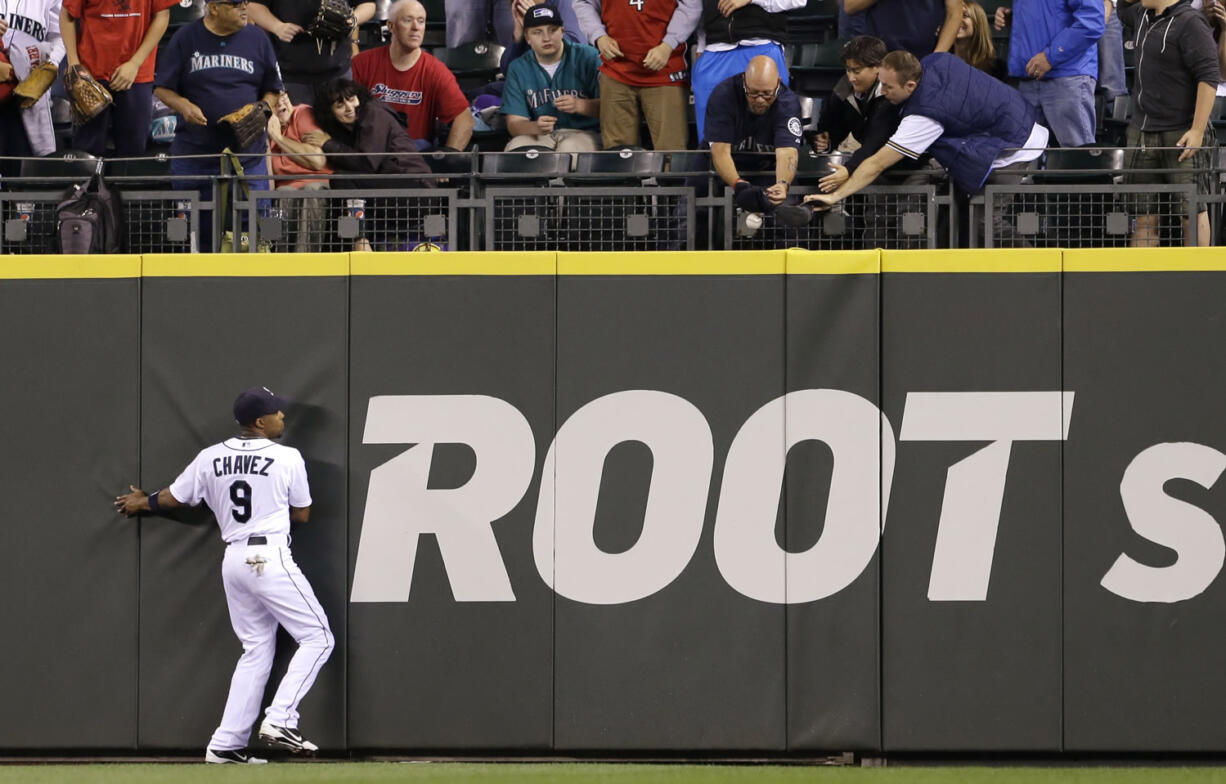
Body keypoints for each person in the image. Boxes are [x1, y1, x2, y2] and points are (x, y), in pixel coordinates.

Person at [114, 386, 334, 765]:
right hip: (269, 555)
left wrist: (143, 501)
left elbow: (175, 497)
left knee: (257, 649)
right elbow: (302, 514)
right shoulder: (287, 458)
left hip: (234, 560)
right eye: (277, 412)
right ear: (260, 422)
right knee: (318, 637)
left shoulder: (210, 457)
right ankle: (280, 719)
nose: (283, 416)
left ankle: (225, 744)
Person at [804, 50, 1049, 240]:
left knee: (985, 223)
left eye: (888, 87)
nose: (882, 91)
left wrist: (836, 195)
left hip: (1016, 146)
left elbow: (876, 165)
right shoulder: (935, 60)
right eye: (881, 82)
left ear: (910, 86)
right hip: (1019, 117)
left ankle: (1040, 267)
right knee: (965, 217)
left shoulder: (923, 118)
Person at [1118, 0, 1220, 246]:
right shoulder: (1141, 14)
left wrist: (1196, 131)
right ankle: (1141, 281)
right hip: (1142, 132)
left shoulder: (1191, 22)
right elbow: (1122, 9)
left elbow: (1209, 76)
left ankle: (1196, 280)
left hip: (1181, 132)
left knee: (1191, 214)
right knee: (1144, 216)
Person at [305, 78, 434, 249]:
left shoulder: (374, 112)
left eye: (351, 99)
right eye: (340, 105)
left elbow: (367, 162)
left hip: (416, 192)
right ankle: (338, 254)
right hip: (391, 193)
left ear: (359, 97)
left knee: (342, 180)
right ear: (330, 112)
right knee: (339, 198)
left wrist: (328, 144)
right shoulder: (349, 128)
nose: (349, 108)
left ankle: (360, 244)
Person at [572, 0, 700, 151]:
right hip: (616, 71)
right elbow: (582, 2)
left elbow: (692, 6)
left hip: (665, 70)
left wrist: (668, 44)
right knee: (618, 152)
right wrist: (599, 36)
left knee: (671, 151)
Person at [351, 0, 474, 152]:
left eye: (421, 21)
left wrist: (448, 157)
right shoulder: (362, 63)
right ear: (391, 26)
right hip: (370, 152)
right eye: (408, 20)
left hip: (413, 157)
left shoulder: (435, 70)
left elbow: (464, 119)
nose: (416, 27)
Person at [59, 0, 176, 156]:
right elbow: (67, 14)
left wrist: (135, 63)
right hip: (90, 76)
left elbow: (162, 15)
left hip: (136, 75)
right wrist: (74, 64)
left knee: (133, 152)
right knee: (86, 152)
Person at [704, 55, 810, 226]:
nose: (760, 100)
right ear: (744, 81)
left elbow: (787, 152)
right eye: (753, 93)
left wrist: (782, 184)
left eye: (767, 94)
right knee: (692, 216)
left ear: (778, 83)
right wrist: (738, 184)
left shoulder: (787, 102)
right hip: (722, 163)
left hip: (765, 166)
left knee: (788, 212)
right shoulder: (724, 94)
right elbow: (720, 151)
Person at [689, 0, 806, 145]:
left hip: (762, 47)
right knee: (712, 142)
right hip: (713, 51)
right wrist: (701, 45)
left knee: (767, 139)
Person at [992, 0, 1104, 147]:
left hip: (1067, 76)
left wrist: (1051, 56)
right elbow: (1050, 13)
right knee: (1023, 158)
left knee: (1076, 160)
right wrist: (1016, 17)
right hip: (1028, 78)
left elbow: (1092, 21)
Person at [501, 3, 601, 152]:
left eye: (552, 30)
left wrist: (581, 105)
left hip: (586, 133)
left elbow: (611, 107)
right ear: (527, 37)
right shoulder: (518, 67)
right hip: (540, 135)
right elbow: (514, 123)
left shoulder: (588, 57)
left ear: (562, 30)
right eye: (537, 32)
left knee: (568, 149)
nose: (546, 38)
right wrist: (535, 127)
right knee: (519, 150)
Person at [248, 0, 376, 106]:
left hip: (337, 71)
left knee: (342, 131)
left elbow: (368, 4)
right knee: (298, 131)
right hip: (292, 75)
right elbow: (253, 5)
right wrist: (276, 26)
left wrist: (352, 20)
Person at [0, 0, 65, 178]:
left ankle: (20, 206)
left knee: (21, 165)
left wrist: (52, 62)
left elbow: (60, 34)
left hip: (27, 92)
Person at [268, 91, 331, 252]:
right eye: (275, 103)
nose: (281, 105)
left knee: (310, 191)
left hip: (317, 184)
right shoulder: (266, 128)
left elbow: (317, 161)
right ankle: (282, 262)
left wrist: (278, 138)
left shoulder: (302, 113)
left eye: (284, 99)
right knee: (283, 192)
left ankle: (304, 260)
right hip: (286, 189)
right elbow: (269, 178)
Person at [844, 0, 962, 58]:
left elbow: (955, 14)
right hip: (880, 56)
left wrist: (936, 57)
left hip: (924, 56)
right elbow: (850, 6)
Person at [954, 0, 1005, 79]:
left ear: (978, 22)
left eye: (965, 15)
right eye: (954, 16)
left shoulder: (997, 68)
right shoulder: (942, 61)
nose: (957, 20)